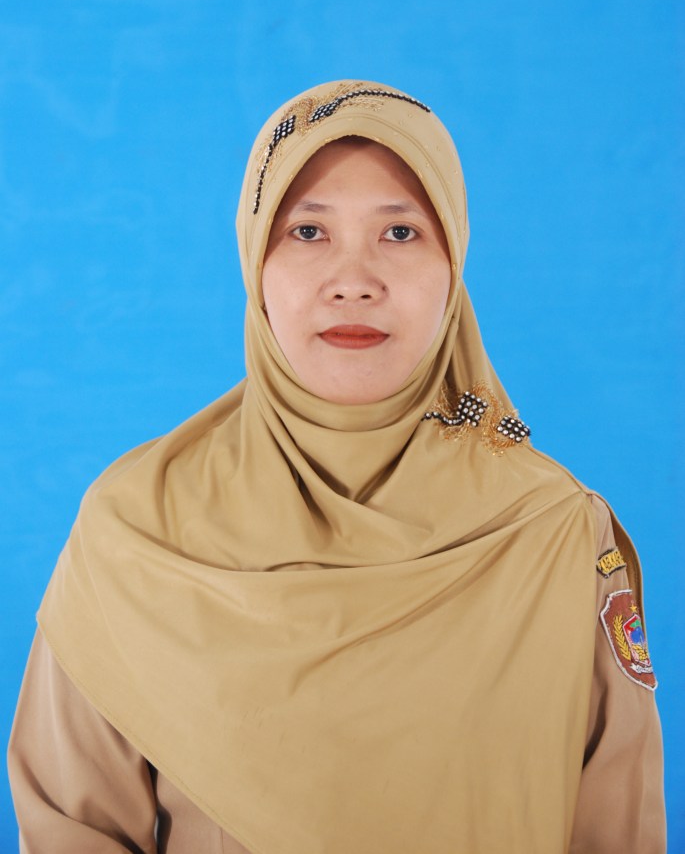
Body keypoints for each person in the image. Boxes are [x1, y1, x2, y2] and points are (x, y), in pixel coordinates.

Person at [8, 80, 666, 853]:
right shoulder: (136, 529)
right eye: (308, 231)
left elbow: (617, 829)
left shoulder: (552, 529)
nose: (354, 279)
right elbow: (73, 828)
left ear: (452, 265)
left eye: (400, 232)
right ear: (255, 261)